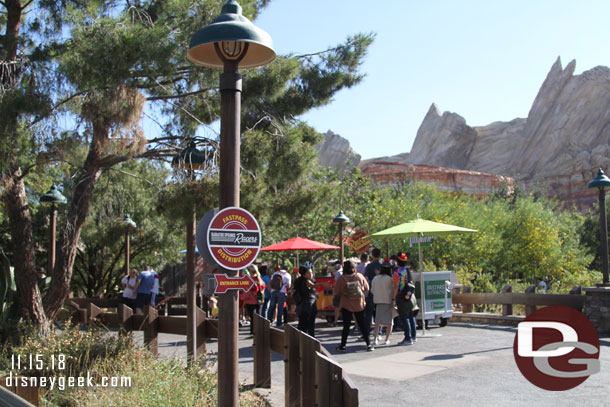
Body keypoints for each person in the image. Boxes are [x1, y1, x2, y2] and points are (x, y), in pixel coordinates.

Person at [334, 260, 373, 352]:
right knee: (362, 325)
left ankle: (343, 345)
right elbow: (367, 287)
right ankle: (369, 344)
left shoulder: (341, 279)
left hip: (346, 304)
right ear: (354, 268)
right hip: (359, 304)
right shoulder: (359, 276)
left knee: (346, 326)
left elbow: (337, 292)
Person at [394, 252, 417, 345]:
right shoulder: (408, 270)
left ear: (397, 261)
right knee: (411, 315)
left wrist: (393, 298)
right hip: (409, 295)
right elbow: (413, 282)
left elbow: (396, 286)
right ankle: (414, 336)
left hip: (401, 296)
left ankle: (408, 338)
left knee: (405, 316)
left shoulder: (397, 272)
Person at [370, 260, 395, 345]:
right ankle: (386, 339)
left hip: (378, 301)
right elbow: (393, 289)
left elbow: (372, 290)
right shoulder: (390, 279)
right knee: (390, 322)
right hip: (388, 301)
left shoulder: (375, 278)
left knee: (377, 322)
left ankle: (375, 339)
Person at [294, 264, 318, 337]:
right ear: (304, 274)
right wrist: (324, 284)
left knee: (302, 326)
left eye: (311, 272)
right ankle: (311, 344)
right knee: (310, 326)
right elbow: (314, 285)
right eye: (309, 273)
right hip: (308, 306)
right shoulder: (306, 281)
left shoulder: (299, 280)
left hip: (302, 306)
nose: (311, 274)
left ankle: (300, 343)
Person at [363, 248, 381, 340]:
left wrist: (364, 289)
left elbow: (365, 278)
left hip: (372, 290)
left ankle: (368, 330)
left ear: (372, 255)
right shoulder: (382, 265)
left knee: (369, 311)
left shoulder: (369, 266)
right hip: (382, 291)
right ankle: (379, 331)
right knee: (379, 311)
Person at [243, 264, 265, 335]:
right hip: (259, 301)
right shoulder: (260, 279)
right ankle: (259, 333)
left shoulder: (249, 280)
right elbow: (263, 288)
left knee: (253, 318)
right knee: (258, 318)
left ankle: (253, 332)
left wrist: (241, 297)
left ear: (250, 271)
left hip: (250, 302)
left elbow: (246, 292)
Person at [331, 261, 343, 326]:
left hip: (339, 292)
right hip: (346, 292)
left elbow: (336, 283)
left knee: (337, 307)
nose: (335, 266)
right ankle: (356, 325)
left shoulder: (338, 273)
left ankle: (335, 321)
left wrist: (332, 286)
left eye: (336, 265)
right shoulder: (345, 271)